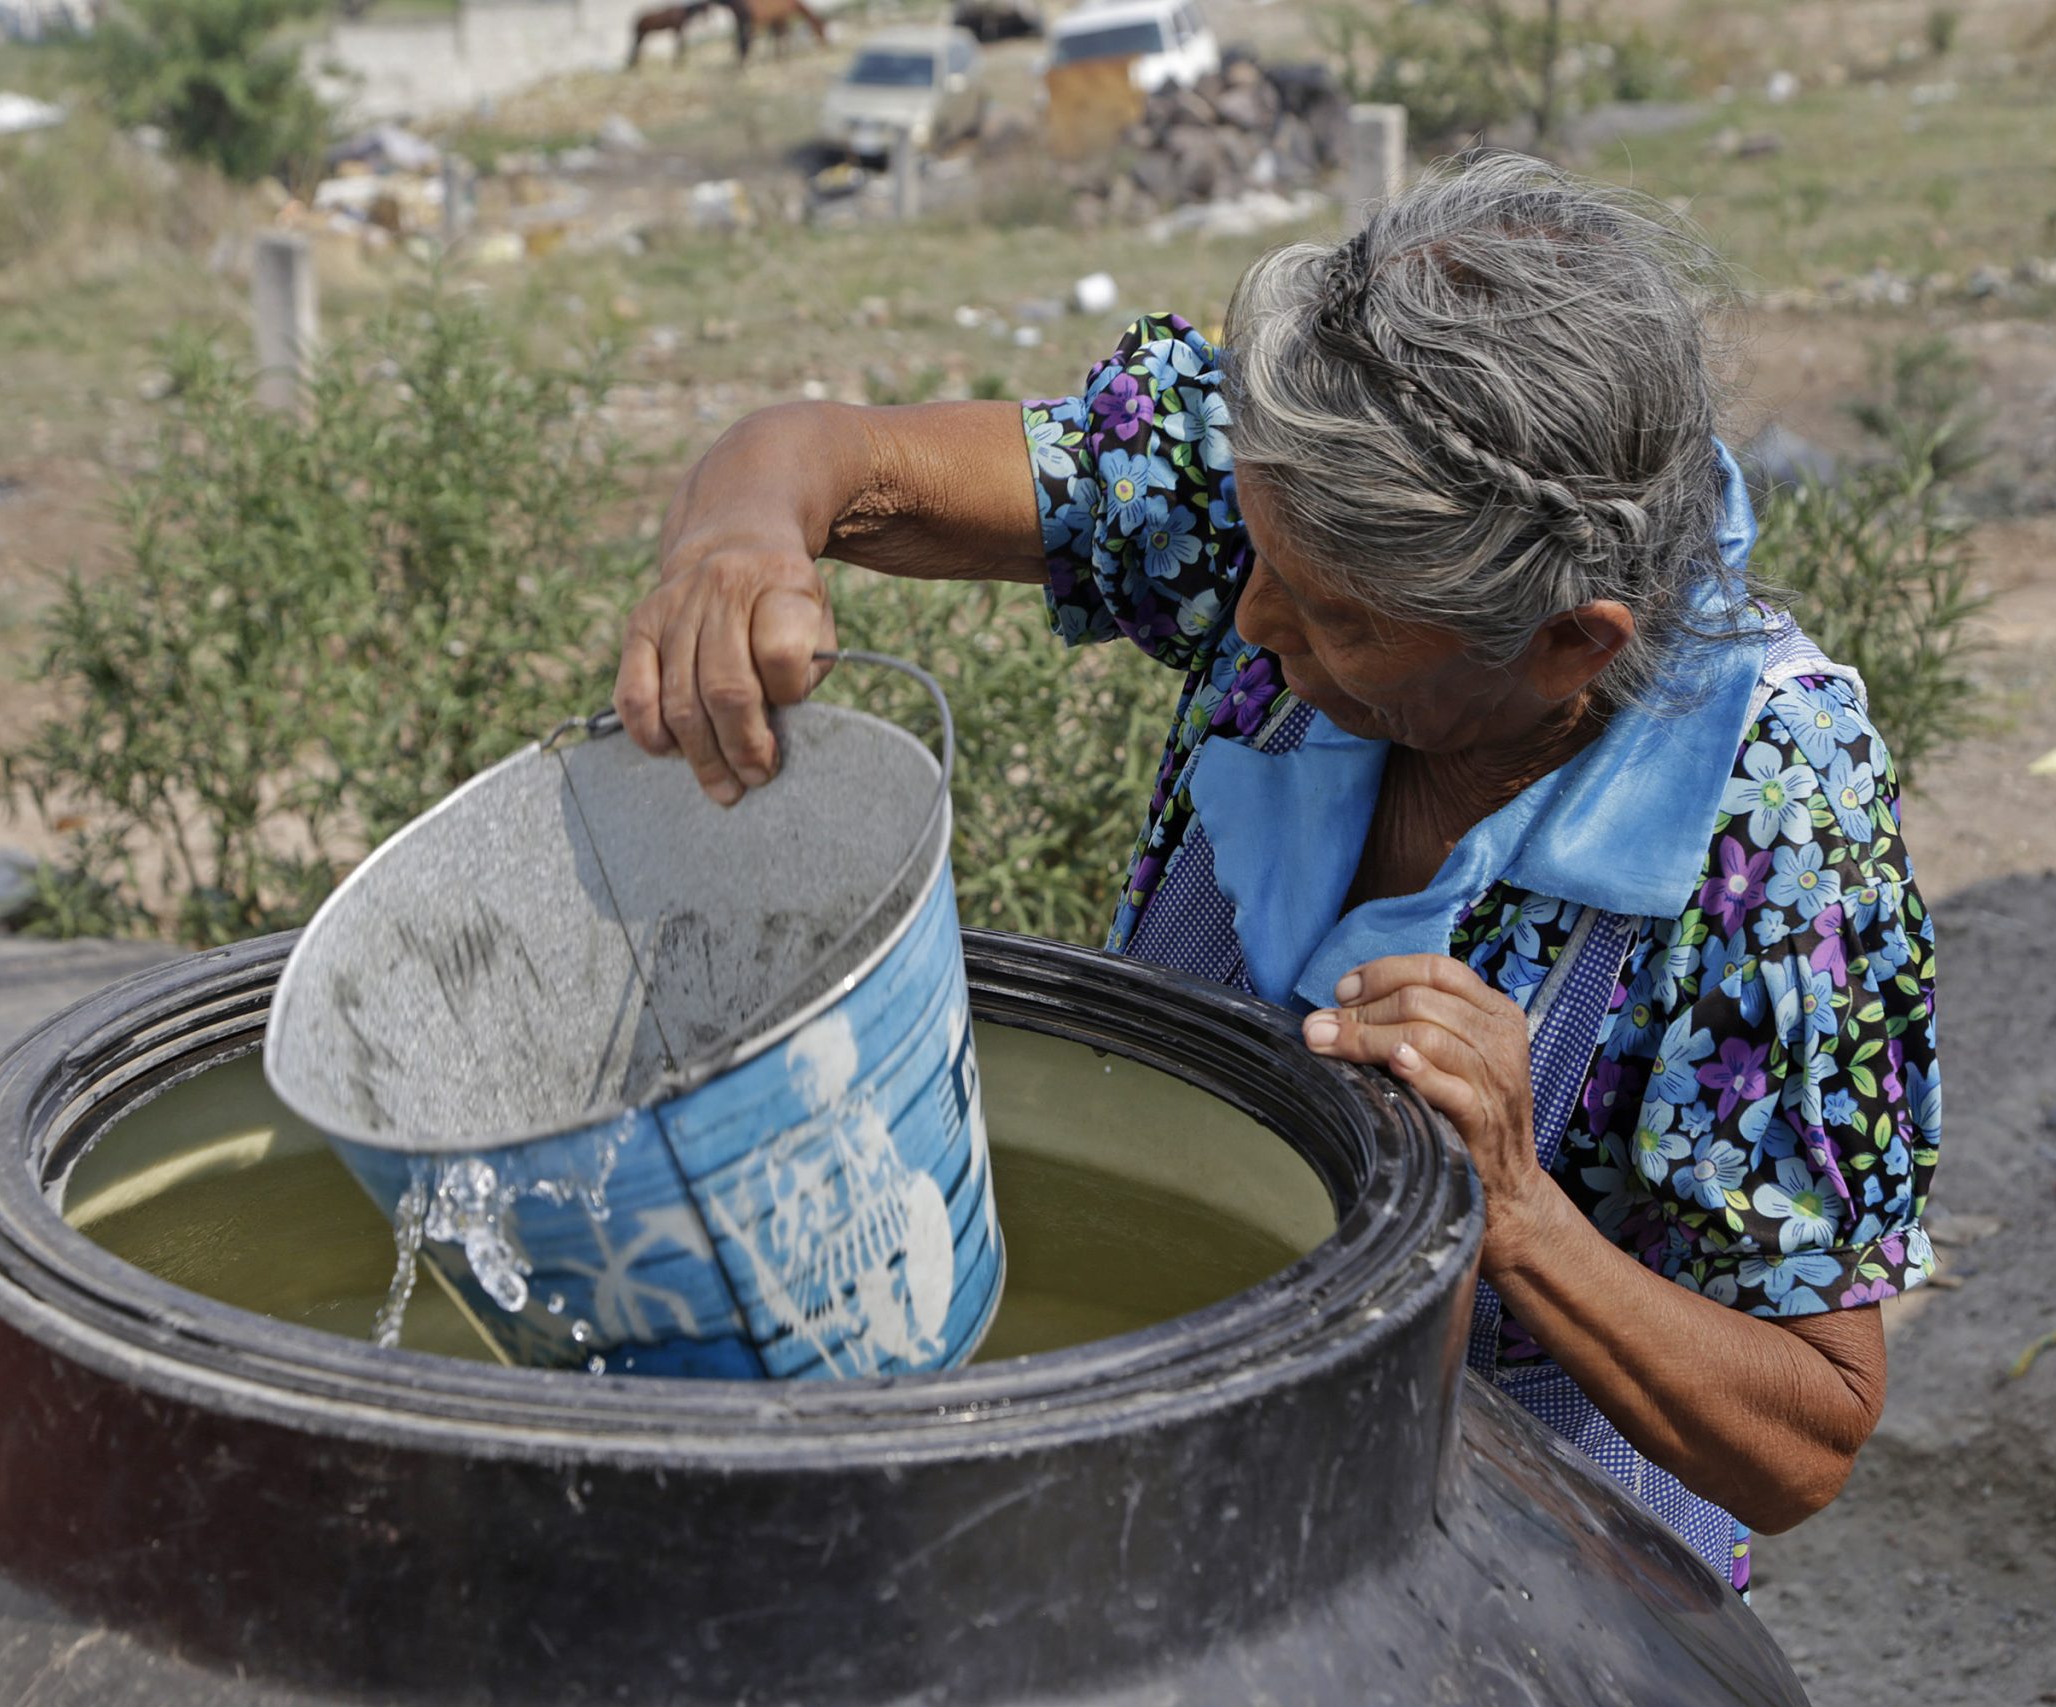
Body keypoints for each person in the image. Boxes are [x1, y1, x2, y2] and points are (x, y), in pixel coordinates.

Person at [612, 154, 1940, 1592]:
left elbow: (1806, 1437)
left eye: (1336, 619)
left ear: (1570, 644)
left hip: (1499, 1574)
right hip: (1161, 1438)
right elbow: (836, 460)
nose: (1245, 618)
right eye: (1256, 555)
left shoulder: (1773, 827)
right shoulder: (1307, 474)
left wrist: (1520, 1216)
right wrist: (739, 538)